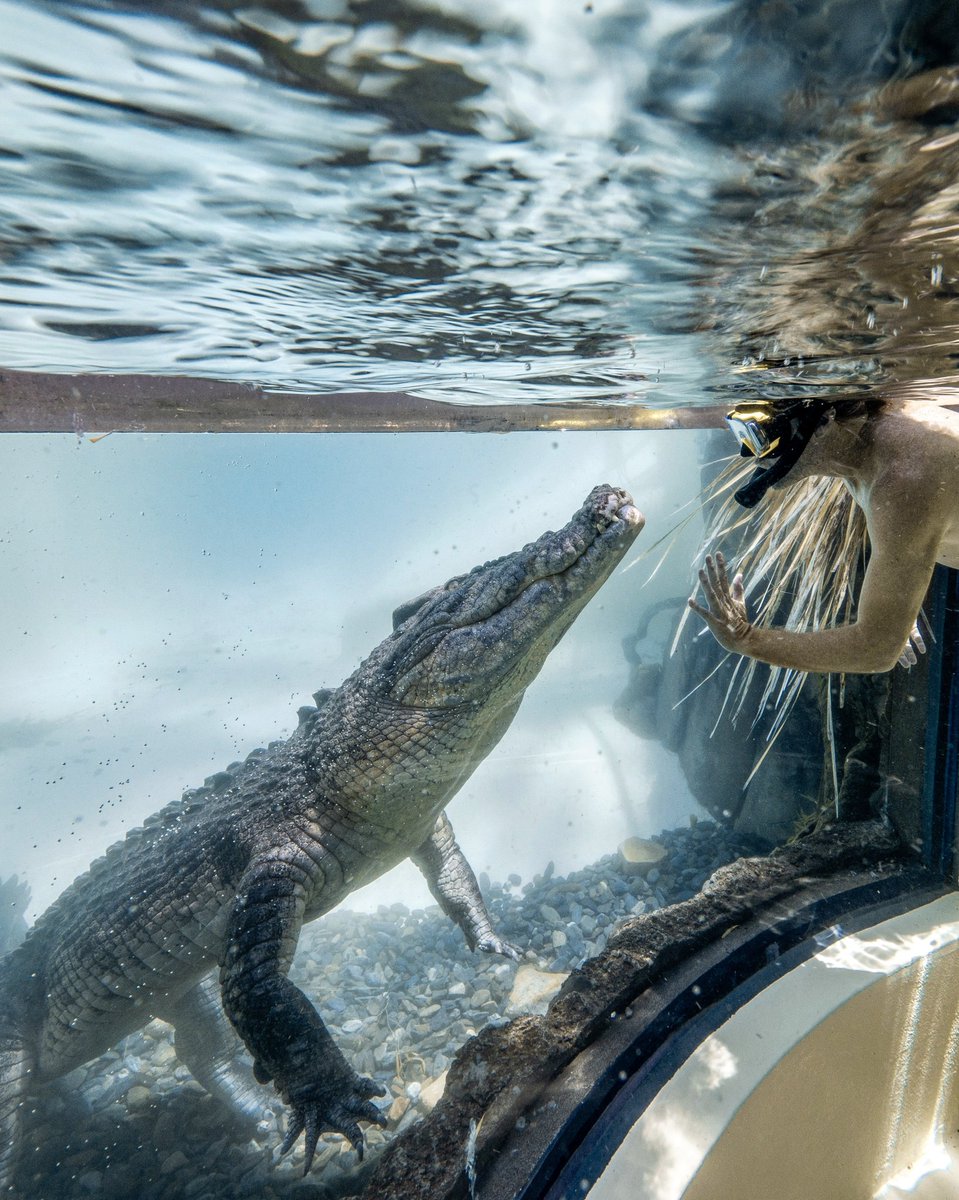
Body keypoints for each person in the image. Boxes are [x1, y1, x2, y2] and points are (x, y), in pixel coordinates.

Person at [689, 394, 959, 674]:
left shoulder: (903, 478)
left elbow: (877, 650)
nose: (756, 454)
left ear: (823, 424)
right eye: (745, 434)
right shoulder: (863, 448)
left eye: (765, 434)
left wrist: (746, 639)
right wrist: (898, 604)